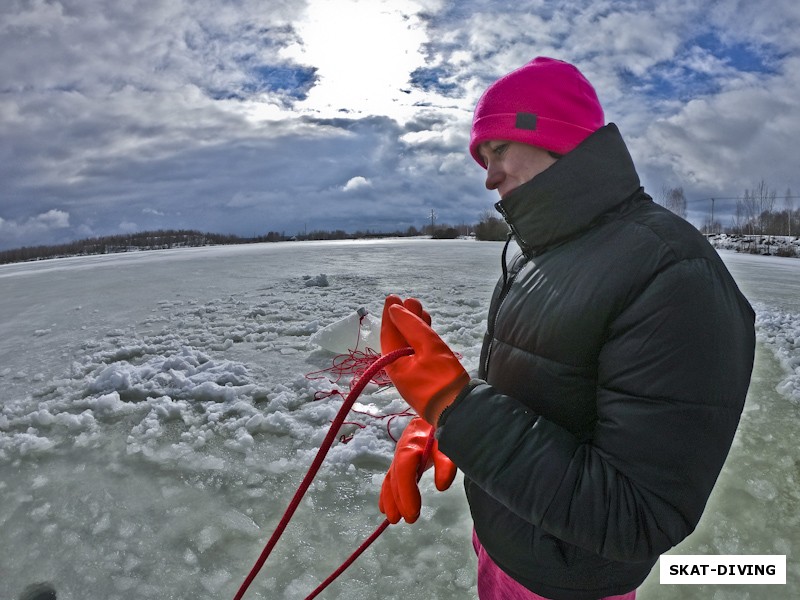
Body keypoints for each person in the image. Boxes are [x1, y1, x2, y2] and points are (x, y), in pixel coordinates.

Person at [377, 57, 756, 600]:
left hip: (565, 585)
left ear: (556, 136)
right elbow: (537, 396)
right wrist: (444, 430)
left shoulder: (672, 272)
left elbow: (638, 514)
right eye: (483, 156)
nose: (488, 175)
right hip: (505, 545)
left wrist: (455, 406)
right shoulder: (532, 253)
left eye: (498, 148)